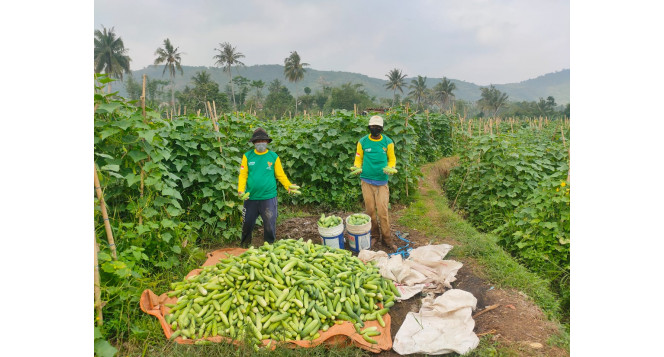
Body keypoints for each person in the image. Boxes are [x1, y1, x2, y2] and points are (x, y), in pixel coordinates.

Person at [237, 127, 296, 247]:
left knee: (269, 223)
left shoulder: (273, 156)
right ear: (253, 143)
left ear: (267, 142)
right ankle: (244, 246)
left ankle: (269, 247)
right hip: (250, 197)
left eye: (263, 141)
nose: (260, 144)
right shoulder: (247, 156)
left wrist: (288, 185)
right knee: (247, 223)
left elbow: (280, 174)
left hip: (268, 197)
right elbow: (243, 175)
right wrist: (241, 190)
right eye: (257, 142)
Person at [352, 115, 398, 250]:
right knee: (370, 211)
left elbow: (392, 159)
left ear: (381, 128)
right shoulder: (363, 141)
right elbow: (358, 157)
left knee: (383, 212)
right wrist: (357, 167)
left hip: (381, 181)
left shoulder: (388, 142)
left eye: (377, 127)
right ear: (369, 127)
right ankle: (375, 236)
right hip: (366, 180)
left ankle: (387, 239)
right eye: (372, 127)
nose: (375, 129)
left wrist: (392, 168)